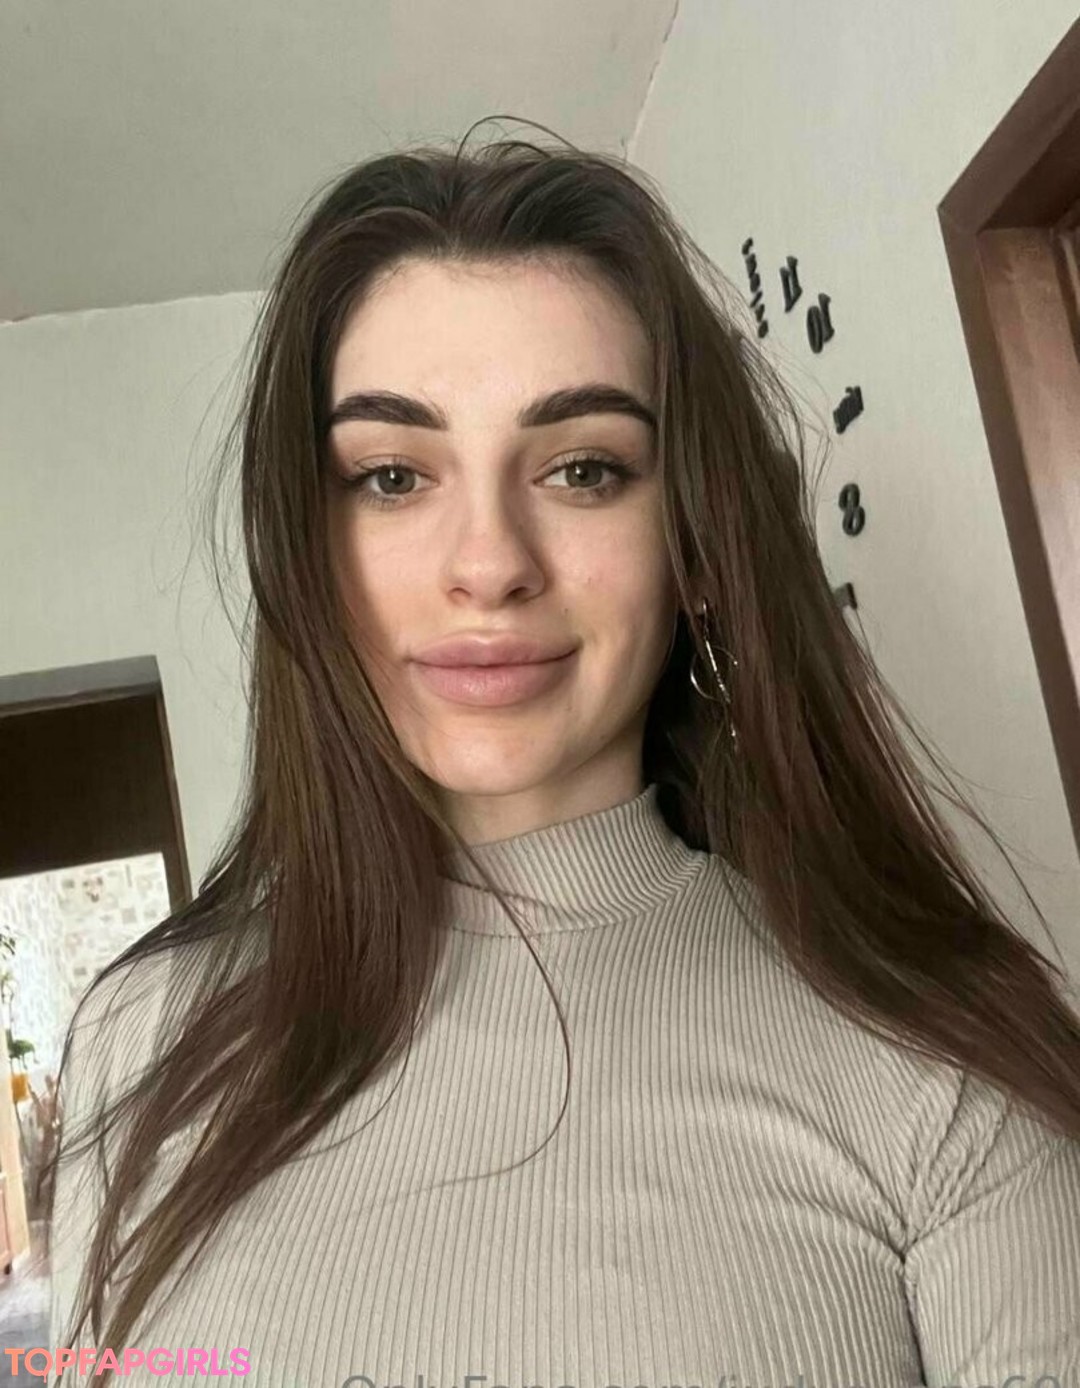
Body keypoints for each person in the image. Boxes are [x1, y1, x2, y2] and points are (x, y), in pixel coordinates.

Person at [44, 120, 1080, 1388]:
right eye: (391, 476)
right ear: (304, 549)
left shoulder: (944, 1061)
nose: (489, 563)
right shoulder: (143, 1040)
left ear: (696, 542)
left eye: (584, 469)